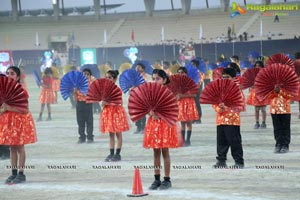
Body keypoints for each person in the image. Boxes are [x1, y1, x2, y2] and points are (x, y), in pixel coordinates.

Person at [0, 66, 37, 184]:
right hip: (8, 121)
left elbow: (25, 110)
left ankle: (21, 173)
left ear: (17, 77)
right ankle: (13, 172)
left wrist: (8, 107)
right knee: (12, 147)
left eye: (12, 73)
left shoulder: (22, 91)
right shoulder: (3, 91)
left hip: (20, 121)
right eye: (7, 73)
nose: (9, 75)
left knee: (20, 148)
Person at [145, 69, 178, 190]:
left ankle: (167, 179)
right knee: (155, 152)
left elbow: (174, 111)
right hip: (153, 124)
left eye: (158, 78)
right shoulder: (150, 92)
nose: (155, 81)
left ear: (164, 80)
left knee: (165, 151)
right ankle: (156, 179)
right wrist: (150, 113)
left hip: (165, 124)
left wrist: (160, 115)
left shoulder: (169, 93)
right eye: (153, 78)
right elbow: (146, 107)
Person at [212, 68, 245, 169]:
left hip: (232, 120)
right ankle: (221, 160)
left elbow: (241, 106)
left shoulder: (237, 90)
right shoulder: (219, 89)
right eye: (223, 77)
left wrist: (226, 107)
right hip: (220, 119)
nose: (225, 79)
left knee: (234, 141)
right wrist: (219, 108)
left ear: (234, 78)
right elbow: (214, 103)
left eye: (227, 77)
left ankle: (239, 161)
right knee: (221, 141)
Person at [101, 70, 129, 162]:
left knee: (118, 134)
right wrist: (103, 103)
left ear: (115, 79)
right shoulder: (104, 89)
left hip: (116, 113)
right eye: (106, 77)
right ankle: (111, 153)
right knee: (111, 134)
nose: (108, 79)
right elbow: (103, 102)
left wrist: (107, 102)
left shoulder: (117, 89)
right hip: (108, 113)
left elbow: (119, 102)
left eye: (110, 77)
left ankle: (118, 153)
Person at [177, 67, 199, 146]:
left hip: (189, 104)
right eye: (179, 72)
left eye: (182, 72)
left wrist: (182, 95)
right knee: (182, 123)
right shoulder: (176, 83)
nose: (180, 74)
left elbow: (195, 94)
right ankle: (183, 140)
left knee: (189, 123)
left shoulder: (191, 82)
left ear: (186, 73)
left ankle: (188, 140)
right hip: (181, 104)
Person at [269, 86, 293, 153]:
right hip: (274, 109)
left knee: (285, 128)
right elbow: (268, 96)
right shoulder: (271, 84)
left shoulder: (288, 84)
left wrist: (281, 91)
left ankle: (285, 145)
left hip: (285, 109)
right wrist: (274, 91)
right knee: (277, 128)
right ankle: (278, 144)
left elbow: (291, 96)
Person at [246, 61, 268, 129]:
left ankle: (264, 122)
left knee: (263, 109)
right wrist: (250, 86)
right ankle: (257, 122)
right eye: (256, 65)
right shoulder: (252, 74)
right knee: (256, 109)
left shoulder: (265, 73)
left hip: (263, 92)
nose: (257, 67)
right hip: (255, 92)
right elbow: (249, 82)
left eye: (259, 65)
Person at [75, 69, 94, 143]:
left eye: (87, 74)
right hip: (80, 103)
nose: (86, 75)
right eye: (84, 74)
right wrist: (75, 89)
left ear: (90, 75)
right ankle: (82, 137)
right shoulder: (78, 83)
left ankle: (90, 137)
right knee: (80, 121)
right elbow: (74, 93)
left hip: (88, 103)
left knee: (89, 121)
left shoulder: (92, 83)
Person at [133, 63, 148, 134]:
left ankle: (142, 127)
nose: (137, 69)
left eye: (139, 67)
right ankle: (138, 127)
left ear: (143, 69)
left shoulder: (145, 77)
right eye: (136, 67)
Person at [191, 59, 203, 124]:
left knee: (197, 104)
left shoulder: (199, 72)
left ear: (195, 65)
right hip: (191, 90)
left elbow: (199, 82)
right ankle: (193, 118)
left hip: (196, 90)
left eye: (192, 64)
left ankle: (198, 118)